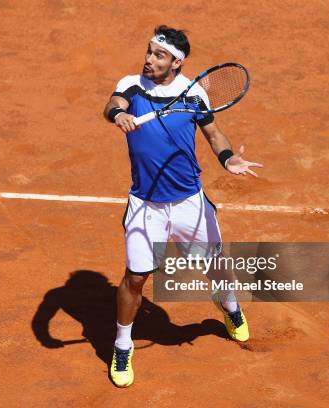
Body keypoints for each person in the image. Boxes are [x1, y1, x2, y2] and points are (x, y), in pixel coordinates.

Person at [103, 25, 263, 388]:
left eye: (158, 55)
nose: (149, 59)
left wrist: (226, 159)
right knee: (136, 276)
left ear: (176, 63)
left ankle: (230, 307)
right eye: (148, 51)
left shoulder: (193, 95)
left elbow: (213, 133)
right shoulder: (132, 84)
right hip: (146, 204)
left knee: (215, 265)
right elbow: (113, 104)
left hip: (189, 200)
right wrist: (118, 115)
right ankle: (122, 345)